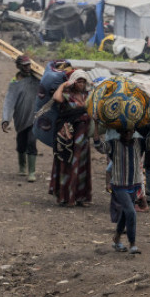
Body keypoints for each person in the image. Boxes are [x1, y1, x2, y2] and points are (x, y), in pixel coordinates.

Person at [95, 129, 146, 254]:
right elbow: (98, 146)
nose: (127, 134)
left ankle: (116, 239)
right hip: (119, 185)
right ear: (119, 131)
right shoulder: (113, 144)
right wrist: (96, 125)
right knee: (131, 212)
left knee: (125, 213)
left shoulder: (139, 143)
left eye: (130, 131)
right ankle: (132, 244)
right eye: (124, 132)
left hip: (134, 184)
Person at [49, 71, 94, 206]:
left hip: (83, 135)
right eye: (79, 81)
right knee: (68, 162)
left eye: (83, 81)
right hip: (69, 135)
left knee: (81, 163)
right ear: (74, 82)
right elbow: (56, 98)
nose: (81, 84)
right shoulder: (67, 95)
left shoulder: (87, 96)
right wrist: (63, 85)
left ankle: (80, 196)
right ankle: (67, 196)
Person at [1, 54, 41, 182]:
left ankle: (32, 172)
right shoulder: (15, 83)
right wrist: (5, 119)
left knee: (31, 142)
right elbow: (9, 101)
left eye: (29, 65)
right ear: (18, 66)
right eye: (24, 66)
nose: (27, 67)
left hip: (34, 117)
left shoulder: (36, 79)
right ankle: (22, 166)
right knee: (21, 142)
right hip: (20, 118)